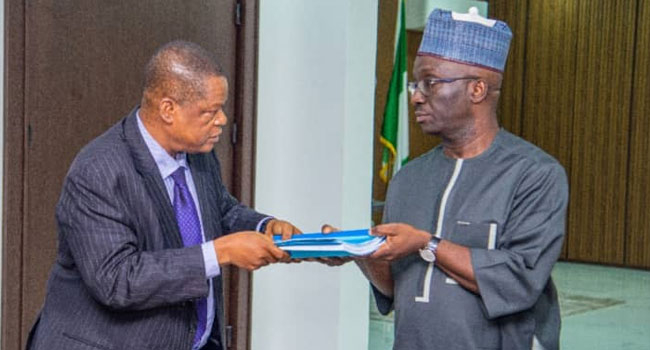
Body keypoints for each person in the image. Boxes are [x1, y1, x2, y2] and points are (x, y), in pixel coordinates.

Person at [27, 40, 300, 350]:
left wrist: (264, 226)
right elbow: (117, 280)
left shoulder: (199, 154)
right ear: (168, 109)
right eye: (209, 111)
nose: (222, 119)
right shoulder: (98, 171)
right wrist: (220, 252)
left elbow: (220, 212)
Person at [356, 9, 568, 350]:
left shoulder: (535, 175)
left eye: (431, 83)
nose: (415, 96)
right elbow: (399, 289)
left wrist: (427, 244)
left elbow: (520, 281)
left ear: (478, 89)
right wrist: (360, 253)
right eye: (414, 83)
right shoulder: (408, 178)